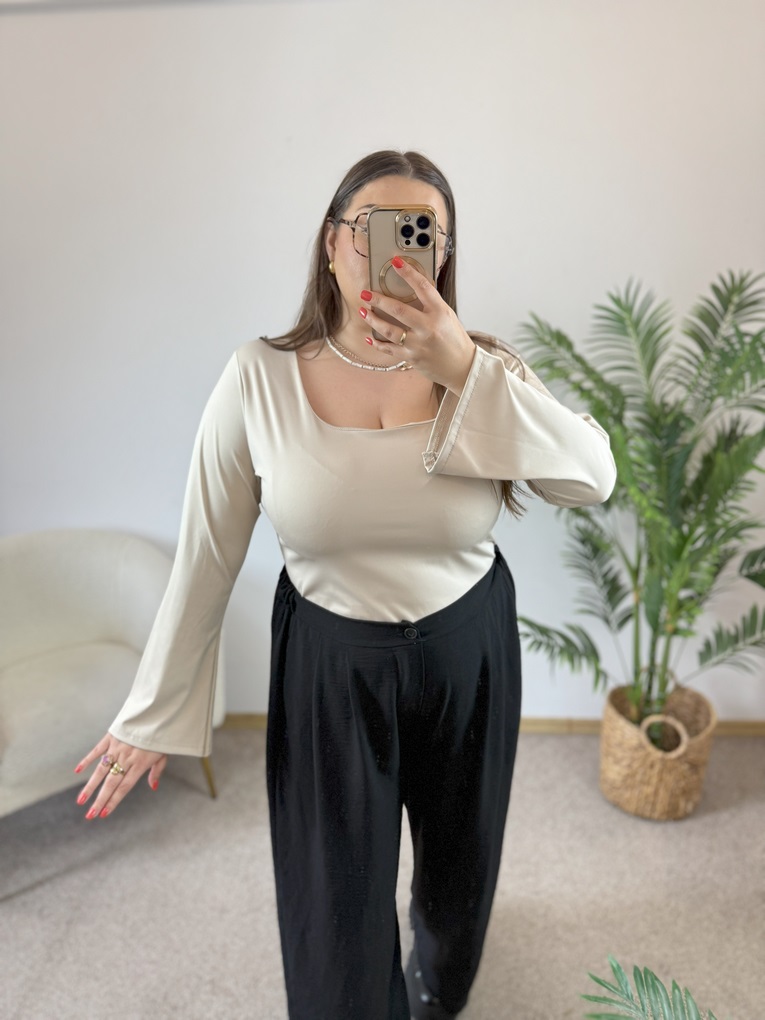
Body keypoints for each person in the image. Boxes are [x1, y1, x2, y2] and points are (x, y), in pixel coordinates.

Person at [74, 150, 616, 1020]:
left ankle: (436, 984)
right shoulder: (258, 376)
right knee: (333, 896)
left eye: (422, 233)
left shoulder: (483, 370)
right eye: (371, 229)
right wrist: (151, 713)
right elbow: (207, 555)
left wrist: (461, 368)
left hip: (467, 645)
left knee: (460, 865)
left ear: (442, 254)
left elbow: (592, 476)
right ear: (331, 245)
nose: (393, 251)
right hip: (330, 660)